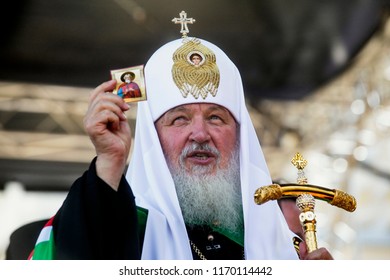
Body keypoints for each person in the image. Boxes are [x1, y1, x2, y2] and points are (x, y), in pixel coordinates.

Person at [28, 26, 333, 260]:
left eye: (216, 118)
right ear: (154, 136)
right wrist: (109, 160)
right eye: (179, 119)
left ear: (239, 136)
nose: (200, 134)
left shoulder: (275, 238)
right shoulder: (128, 228)